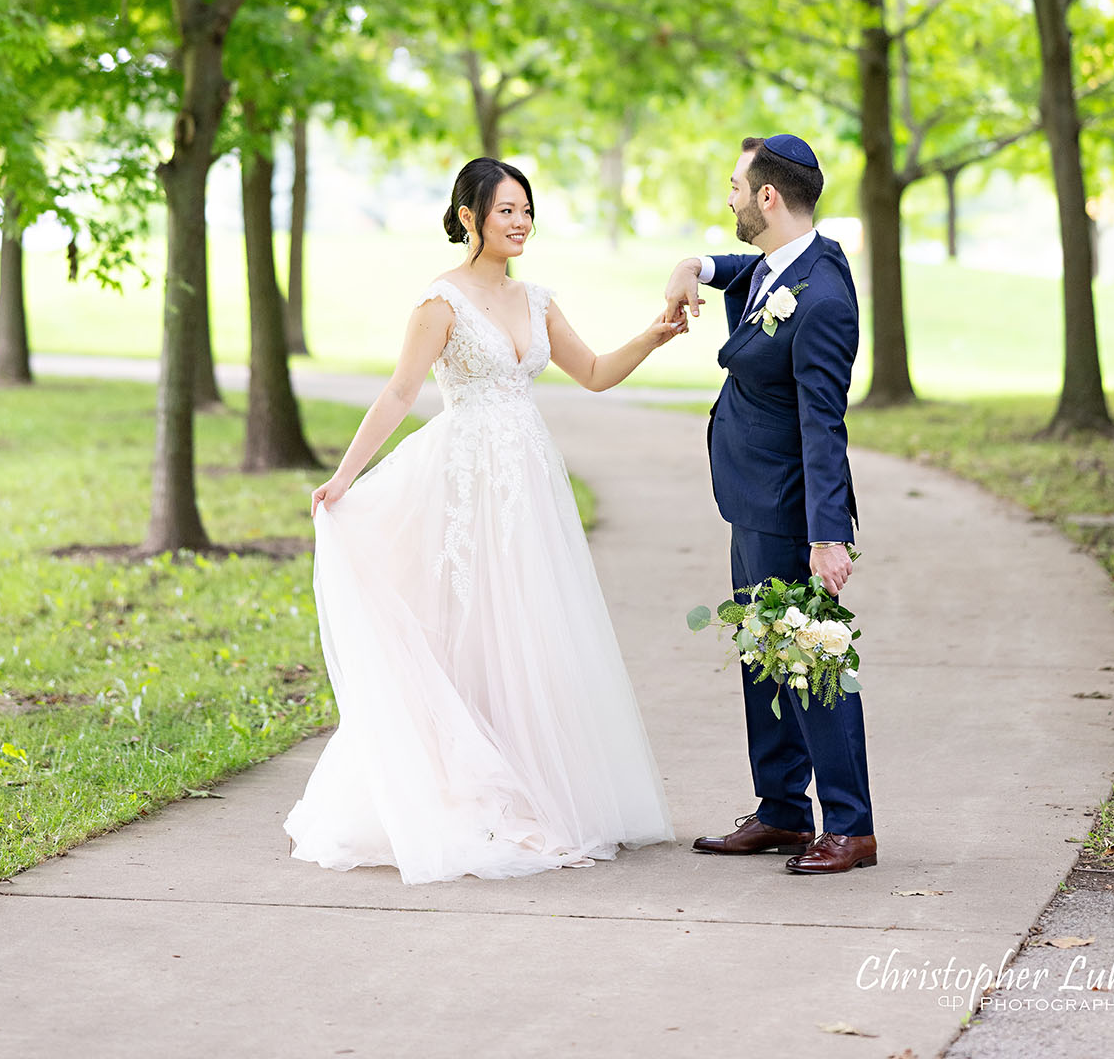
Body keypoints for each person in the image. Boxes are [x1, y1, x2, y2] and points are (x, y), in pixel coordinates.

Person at [284, 155, 679, 884]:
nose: (520, 221)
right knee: (469, 626)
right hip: (465, 481)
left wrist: (654, 335)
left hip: (529, 481)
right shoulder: (441, 302)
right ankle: (464, 786)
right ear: (469, 217)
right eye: (505, 210)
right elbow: (402, 391)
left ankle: (537, 785)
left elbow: (591, 373)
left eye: (526, 209)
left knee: (530, 626)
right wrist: (345, 476)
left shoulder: (539, 300)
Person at [664, 132, 877, 876]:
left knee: (814, 664)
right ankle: (784, 811)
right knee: (765, 660)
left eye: (733, 186)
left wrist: (827, 537)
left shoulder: (820, 297)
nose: (725, 198)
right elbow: (747, 271)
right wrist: (694, 266)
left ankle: (849, 826)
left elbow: (825, 424)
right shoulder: (784, 264)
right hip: (752, 502)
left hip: (791, 510)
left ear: (766, 197)